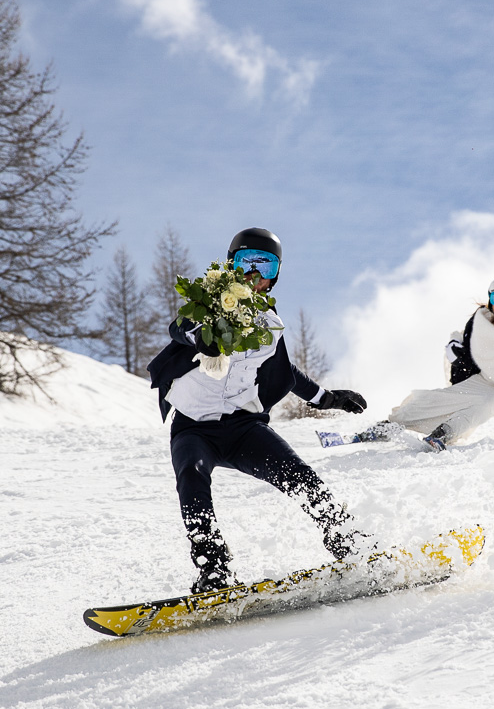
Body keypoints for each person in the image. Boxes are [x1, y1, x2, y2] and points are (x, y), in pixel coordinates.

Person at [147, 227, 371, 593]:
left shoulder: (270, 325)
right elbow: (181, 328)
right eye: (245, 262)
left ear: (275, 274)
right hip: (193, 429)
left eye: (264, 265)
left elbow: (286, 372)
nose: (253, 273)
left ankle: (348, 540)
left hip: (243, 429)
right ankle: (213, 568)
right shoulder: (209, 304)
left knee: (300, 476)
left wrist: (329, 399)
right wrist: (202, 333)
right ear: (231, 266)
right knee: (191, 476)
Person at [363, 276, 494, 450]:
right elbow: (466, 348)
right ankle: (389, 425)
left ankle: (444, 433)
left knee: (488, 403)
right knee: (444, 400)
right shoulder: (481, 321)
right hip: (485, 380)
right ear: (490, 298)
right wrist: (454, 348)